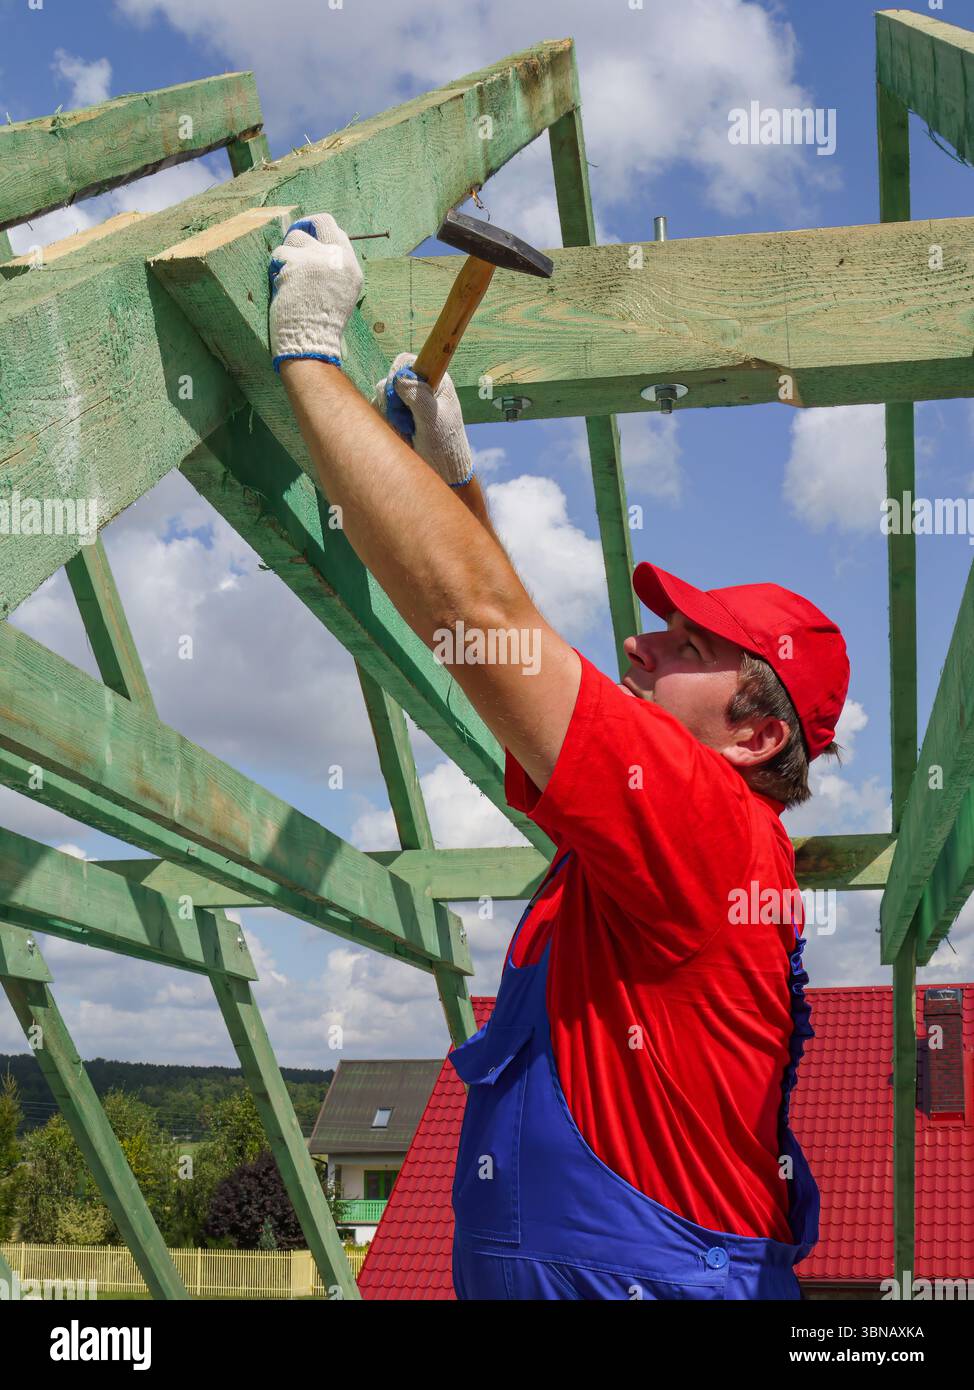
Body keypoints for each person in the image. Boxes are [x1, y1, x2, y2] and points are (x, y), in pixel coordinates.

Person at [268, 212, 851, 1301]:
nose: (637, 643)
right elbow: (511, 656)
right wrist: (452, 487)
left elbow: (482, 618)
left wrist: (309, 355)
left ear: (756, 734)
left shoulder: (706, 825)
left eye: (687, 646)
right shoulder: (663, 839)